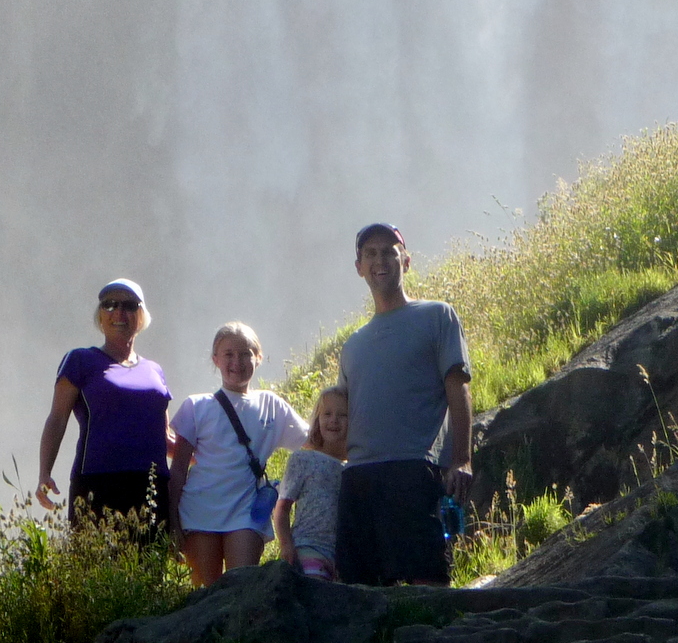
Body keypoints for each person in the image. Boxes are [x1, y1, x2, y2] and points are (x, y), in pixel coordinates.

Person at [335, 223, 473, 587]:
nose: (380, 260)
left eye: (389, 251)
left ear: (406, 261)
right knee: (358, 592)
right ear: (359, 267)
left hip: (414, 468)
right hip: (358, 476)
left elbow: (457, 388)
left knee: (426, 581)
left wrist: (462, 458)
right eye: (371, 254)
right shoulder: (353, 345)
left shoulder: (436, 316)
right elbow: (339, 416)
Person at [169, 322, 308, 586]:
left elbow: (312, 442)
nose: (237, 361)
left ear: (259, 356)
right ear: (216, 360)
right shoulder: (196, 406)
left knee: (242, 588)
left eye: (245, 353)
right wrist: (174, 522)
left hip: (246, 511)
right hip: (199, 511)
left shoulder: (272, 405)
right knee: (205, 596)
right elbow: (177, 471)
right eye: (229, 354)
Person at [36, 279, 172, 526]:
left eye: (129, 305)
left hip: (152, 486)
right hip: (98, 482)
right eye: (110, 305)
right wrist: (45, 472)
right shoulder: (80, 360)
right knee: (96, 564)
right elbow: (57, 419)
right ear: (100, 316)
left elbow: (164, 437)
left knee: (149, 564)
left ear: (141, 316)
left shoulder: (154, 371)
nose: (119, 312)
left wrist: (217, 456)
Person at [273, 386, 349, 581]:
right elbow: (282, 508)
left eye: (343, 415)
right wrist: (286, 545)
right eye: (327, 414)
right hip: (308, 546)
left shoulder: (353, 468)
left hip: (343, 555)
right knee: (315, 595)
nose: (334, 420)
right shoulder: (303, 459)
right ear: (317, 419)